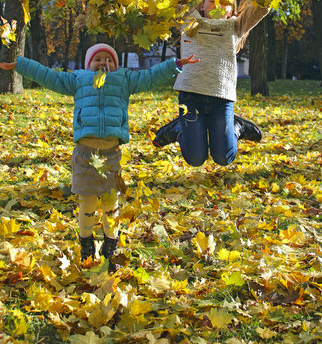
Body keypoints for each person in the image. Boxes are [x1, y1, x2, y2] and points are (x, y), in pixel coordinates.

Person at [0, 44, 198, 271]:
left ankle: (110, 247)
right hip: (85, 153)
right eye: (98, 59)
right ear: (88, 64)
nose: (104, 63)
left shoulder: (124, 79)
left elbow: (151, 76)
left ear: (116, 65)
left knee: (110, 203)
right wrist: (22, 65)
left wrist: (176, 64)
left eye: (109, 60)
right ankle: (86, 245)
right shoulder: (78, 80)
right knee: (87, 202)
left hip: (112, 155)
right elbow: (49, 76)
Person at [110, 0, 322, 167]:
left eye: (224, 2)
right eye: (213, 1)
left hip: (222, 99)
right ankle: (178, 128)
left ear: (231, 10)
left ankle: (236, 126)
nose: (218, 6)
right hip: (190, 97)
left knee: (224, 157)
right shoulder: (188, 19)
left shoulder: (236, 25)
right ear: (202, 5)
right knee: (195, 158)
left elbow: (265, 3)